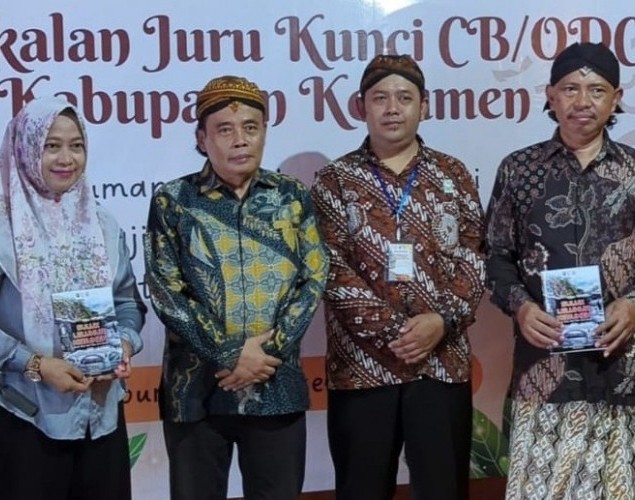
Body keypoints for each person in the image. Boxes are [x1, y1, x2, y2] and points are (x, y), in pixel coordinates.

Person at [485, 42, 635, 499]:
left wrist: (634, 305)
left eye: (596, 90)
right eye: (570, 89)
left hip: (618, 367)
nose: (583, 101)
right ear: (550, 95)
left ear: (616, 98)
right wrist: (521, 308)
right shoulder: (519, 170)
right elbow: (495, 256)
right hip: (545, 367)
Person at [144, 75, 328, 500]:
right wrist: (230, 353)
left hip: (275, 384)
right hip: (196, 391)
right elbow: (166, 291)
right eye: (224, 129)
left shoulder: (291, 196)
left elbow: (313, 275)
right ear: (202, 139)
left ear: (264, 131)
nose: (240, 140)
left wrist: (268, 353)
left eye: (250, 127)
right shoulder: (174, 201)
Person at [311, 54, 485, 500]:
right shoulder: (335, 181)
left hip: (441, 362)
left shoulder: (453, 175)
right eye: (380, 98)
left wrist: (441, 321)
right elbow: (330, 268)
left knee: (443, 490)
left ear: (424, 106)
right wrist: (397, 333)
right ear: (360, 106)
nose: (392, 109)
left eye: (405, 98)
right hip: (362, 369)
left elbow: (475, 256)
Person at [0, 97, 146, 500]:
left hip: (100, 417)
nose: (66, 158)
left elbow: (127, 303)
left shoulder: (102, 223)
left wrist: (123, 344)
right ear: (25, 149)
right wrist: (36, 365)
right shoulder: (3, 229)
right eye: (52, 146)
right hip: (24, 415)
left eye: (76, 145)